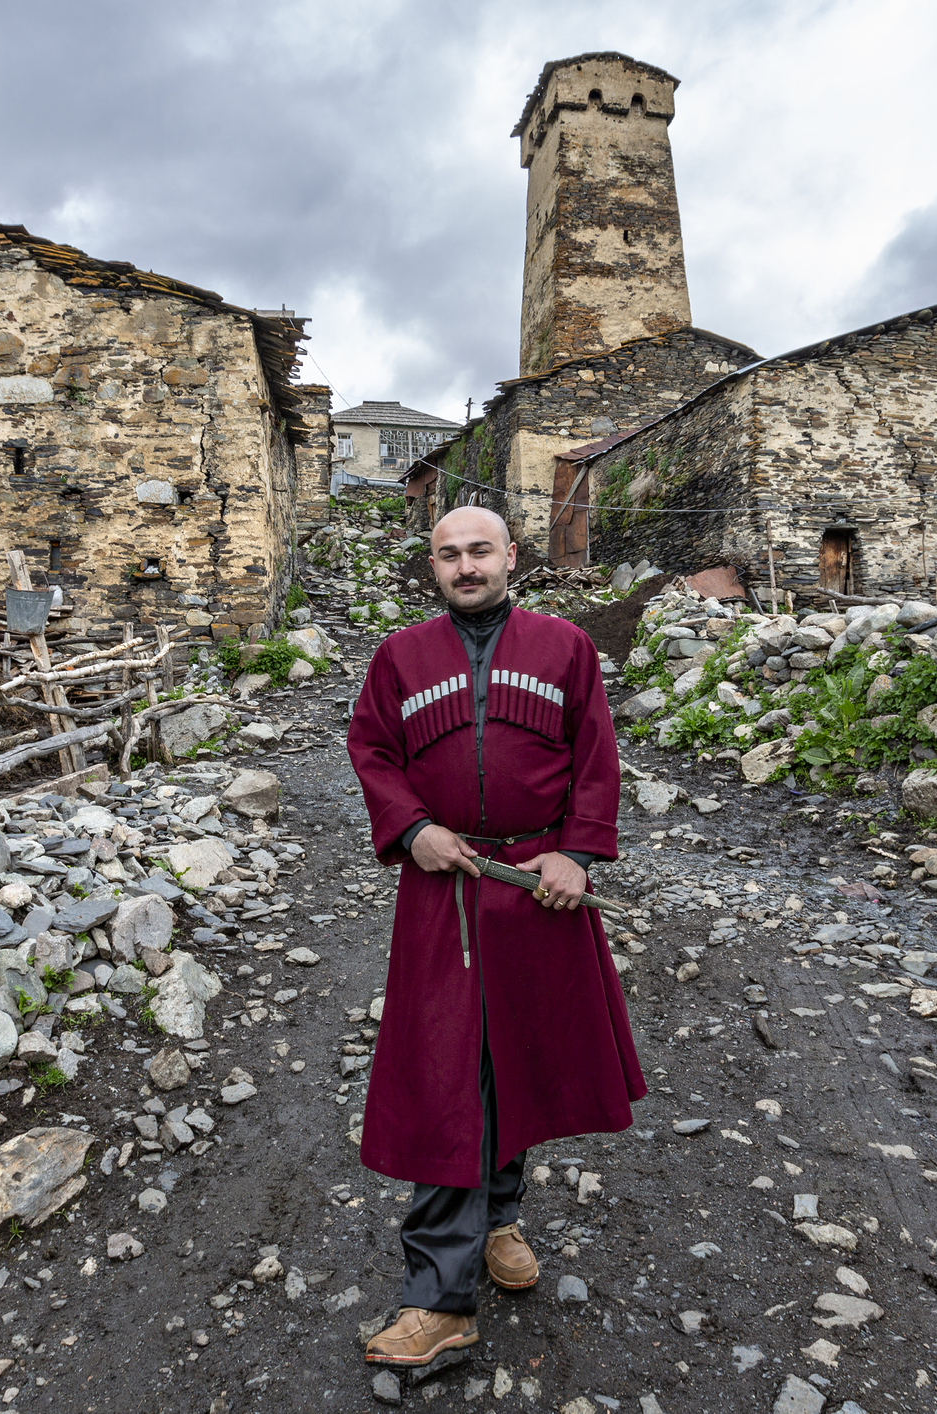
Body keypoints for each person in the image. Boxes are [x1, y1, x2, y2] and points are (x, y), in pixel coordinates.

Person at [345, 503, 646, 1371]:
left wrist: (578, 852)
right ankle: (437, 1299)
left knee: (512, 1055)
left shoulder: (565, 648)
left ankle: (499, 1216)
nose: (465, 566)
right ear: (431, 567)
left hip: (533, 890)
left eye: (480, 550)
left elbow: (595, 756)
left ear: (512, 556)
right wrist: (410, 831)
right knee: (445, 1074)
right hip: (443, 891)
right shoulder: (399, 658)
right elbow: (371, 751)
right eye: (449, 555)